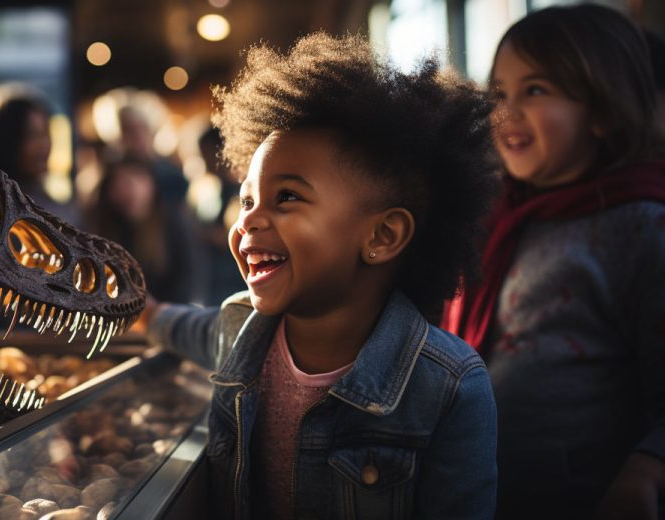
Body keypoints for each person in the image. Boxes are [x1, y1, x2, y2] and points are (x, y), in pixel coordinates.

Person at [142, 32, 500, 519]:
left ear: (383, 236)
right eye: (247, 200)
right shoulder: (240, 326)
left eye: (286, 197)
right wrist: (146, 314)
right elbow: (193, 331)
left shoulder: (448, 387)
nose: (247, 220)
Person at [442, 5, 665, 519]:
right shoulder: (493, 218)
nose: (507, 111)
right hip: (480, 490)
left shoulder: (640, 226)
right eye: (499, 93)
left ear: (602, 111)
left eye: (535, 90)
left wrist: (645, 469)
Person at [87, 156, 200, 304]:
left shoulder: (172, 221)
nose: (127, 192)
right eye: (118, 185)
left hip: (170, 316)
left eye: (131, 182)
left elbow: (189, 278)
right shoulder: (108, 226)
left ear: (151, 184)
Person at [0, 83, 84, 227]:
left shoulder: (57, 210)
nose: (44, 144)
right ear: (5, 141)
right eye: (32, 135)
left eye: (46, 133)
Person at [195, 126, 245, 306]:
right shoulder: (212, 189)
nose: (203, 160)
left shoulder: (242, 190)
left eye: (206, 153)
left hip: (233, 279)